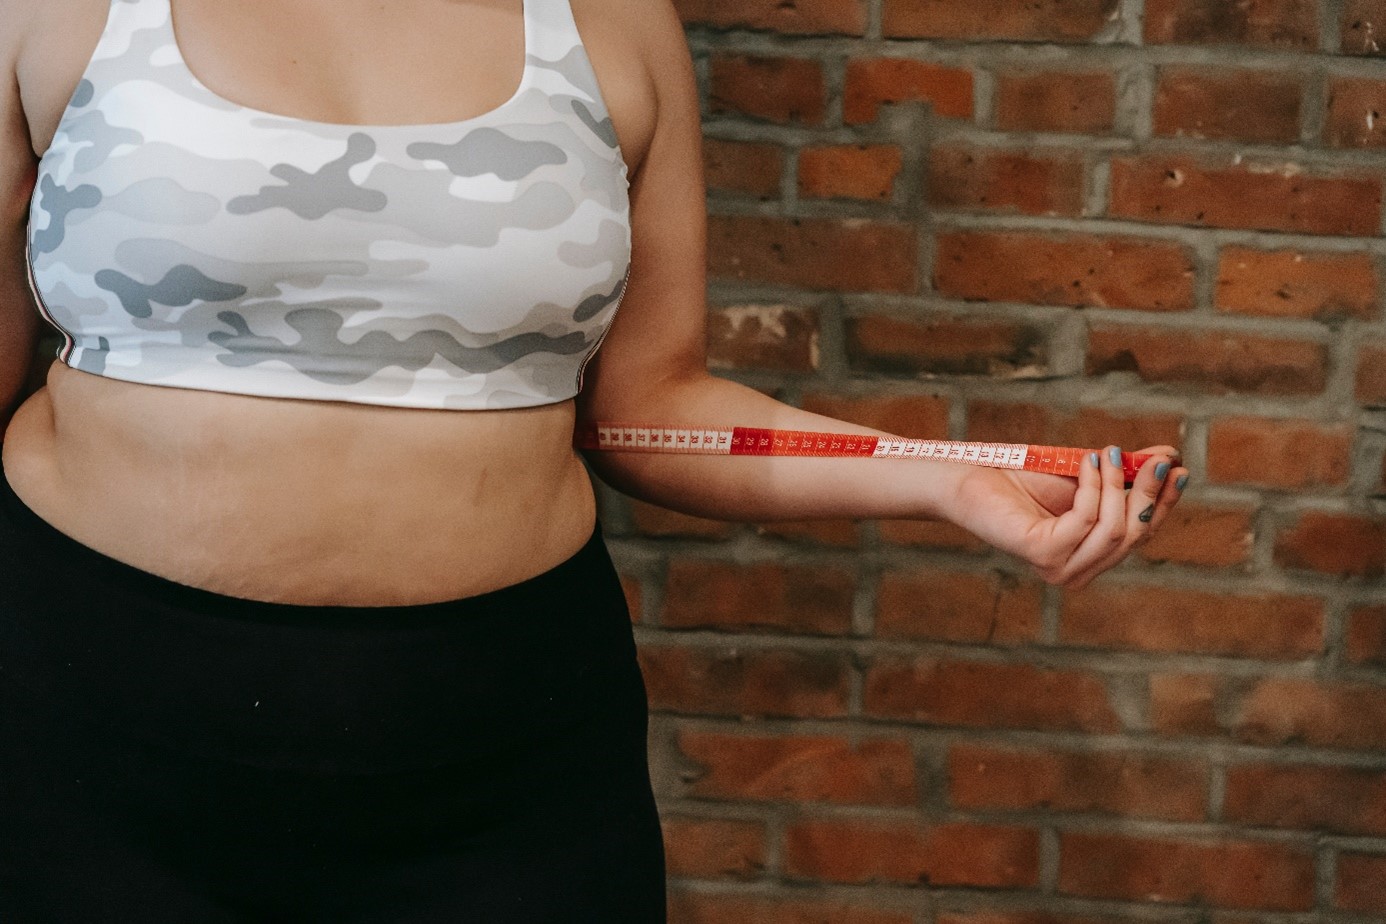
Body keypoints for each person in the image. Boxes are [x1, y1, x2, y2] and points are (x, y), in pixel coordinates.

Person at [0, 0, 1188, 919]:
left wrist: (942, 474)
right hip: (81, 723)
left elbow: (647, 408)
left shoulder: (609, 22)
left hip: (499, 751)